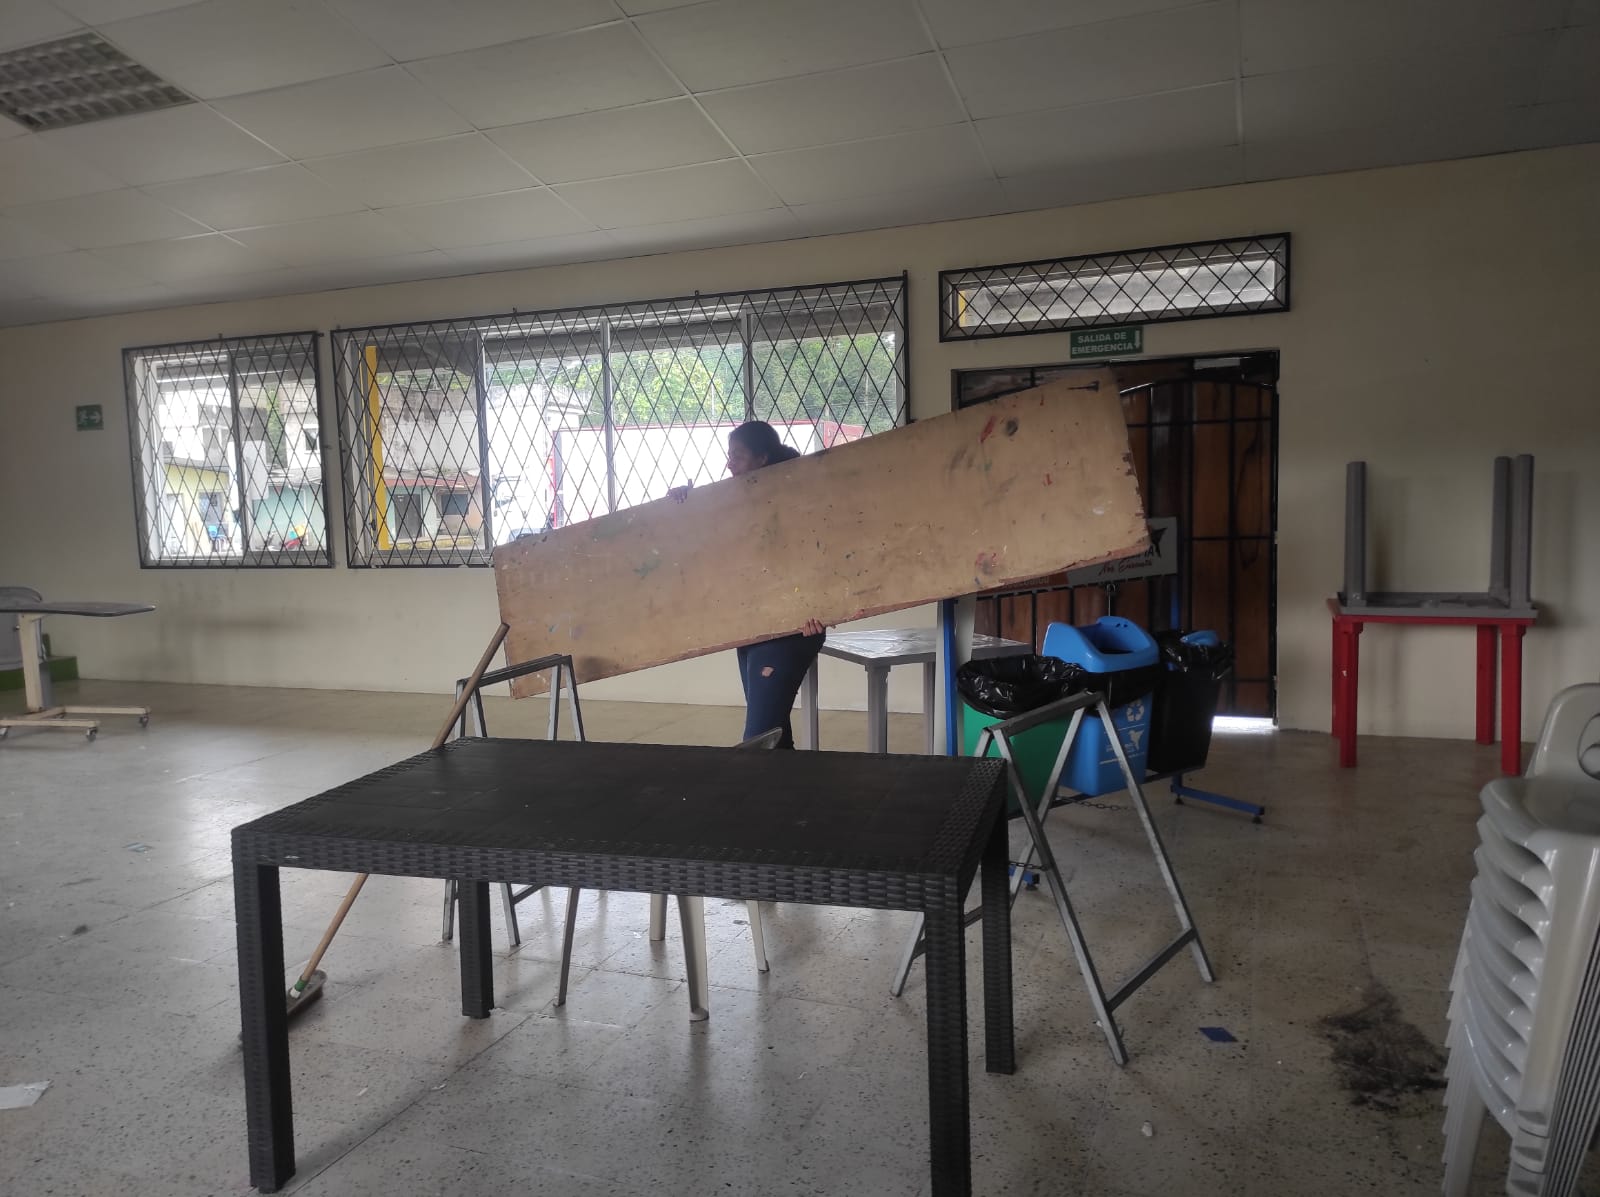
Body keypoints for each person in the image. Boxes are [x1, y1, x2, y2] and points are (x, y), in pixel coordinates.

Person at [673, 421, 826, 748]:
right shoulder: (735, 504)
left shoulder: (797, 499)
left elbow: (817, 558)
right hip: (753, 625)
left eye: (738, 456)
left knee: (758, 738)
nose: (730, 463)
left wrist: (819, 605)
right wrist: (684, 502)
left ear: (762, 459)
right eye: (729, 455)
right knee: (774, 734)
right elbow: (706, 547)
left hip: (792, 629)